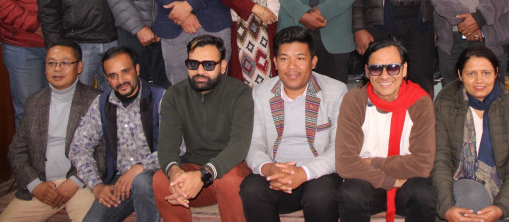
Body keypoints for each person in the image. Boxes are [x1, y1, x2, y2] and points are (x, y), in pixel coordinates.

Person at [240, 26, 347, 221]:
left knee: (321, 195)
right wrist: (268, 168)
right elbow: (254, 143)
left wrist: (303, 173)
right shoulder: (260, 93)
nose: (291, 67)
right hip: (277, 174)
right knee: (252, 189)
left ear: (313, 62)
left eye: (300, 58)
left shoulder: (336, 92)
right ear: (275, 62)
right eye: (284, 59)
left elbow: (339, 149)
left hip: (319, 176)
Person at [152, 35, 253, 222]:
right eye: (193, 64)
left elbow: (239, 145)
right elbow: (167, 144)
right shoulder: (174, 95)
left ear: (223, 67)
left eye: (208, 65)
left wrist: (204, 174)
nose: (200, 71)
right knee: (161, 179)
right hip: (195, 173)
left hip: (231, 169)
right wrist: (175, 172)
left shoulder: (240, 93)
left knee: (228, 180)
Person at [0, 40, 102, 222]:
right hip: (42, 186)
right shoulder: (33, 102)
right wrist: (34, 185)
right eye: (52, 63)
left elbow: (105, 151)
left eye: (65, 63)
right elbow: (17, 150)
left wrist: (75, 181)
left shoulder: (97, 100)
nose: (57, 69)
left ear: (79, 67)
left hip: (82, 184)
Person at [336, 38, 436, 222]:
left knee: (422, 193)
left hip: (407, 182)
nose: (384, 76)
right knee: (351, 194)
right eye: (376, 69)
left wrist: (374, 162)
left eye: (393, 68)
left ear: (404, 69)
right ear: (367, 71)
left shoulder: (420, 102)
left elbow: (422, 164)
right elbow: (345, 163)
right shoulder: (354, 101)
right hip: (367, 180)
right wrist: (390, 181)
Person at [432, 45, 509, 222]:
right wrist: (446, 207)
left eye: (486, 73)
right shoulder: (445, 105)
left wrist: (501, 207)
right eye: (471, 73)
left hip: (504, 189)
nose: (479, 80)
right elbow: (440, 161)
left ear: (496, 73)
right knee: (471, 196)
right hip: (460, 185)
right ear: (460, 75)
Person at [69, 46, 164, 222]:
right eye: (113, 76)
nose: (121, 81)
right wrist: (96, 185)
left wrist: (140, 167)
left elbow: (179, 145)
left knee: (142, 182)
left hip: (157, 175)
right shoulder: (102, 103)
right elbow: (78, 148)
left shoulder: (161, 98)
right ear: (106, 79)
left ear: (137, 69)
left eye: (125, 72)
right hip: (120, 182)